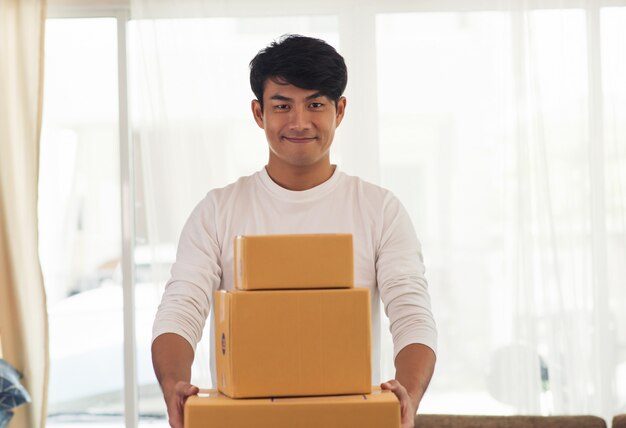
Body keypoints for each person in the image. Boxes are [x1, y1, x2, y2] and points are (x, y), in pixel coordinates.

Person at [151, 34, 437, 428]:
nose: (299, 122)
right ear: (258, 113)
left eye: (315, 104)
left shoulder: (380, 209)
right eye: (282, 106)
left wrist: (408, 394)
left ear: (339, 111)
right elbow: (181, 308)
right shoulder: (217, 210)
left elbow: (412, 314)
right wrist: (174, 386)